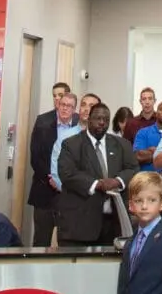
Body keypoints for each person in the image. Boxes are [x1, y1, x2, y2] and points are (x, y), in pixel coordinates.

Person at [59, 100, 140, 246]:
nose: (102, 122)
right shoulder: (71, 144)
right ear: (89, 119)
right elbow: (67, 173)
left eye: (106, 119)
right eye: (98, 118)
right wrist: (97, 184)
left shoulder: (122, 144)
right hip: (80, 226)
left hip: (114, 225)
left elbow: (133, 169)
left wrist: (117, 181)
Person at [28, 82, 79, 246]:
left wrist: (65, 181)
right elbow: (35, 156)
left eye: (68, 105)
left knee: (68, 240)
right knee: (41, 239)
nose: (63, 107)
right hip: (44, 188)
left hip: (69, 191)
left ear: (74, 108)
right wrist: (51, 178)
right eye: (60, 102)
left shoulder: (80, 123)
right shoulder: (42, 121)